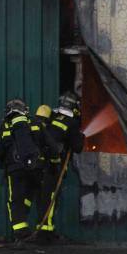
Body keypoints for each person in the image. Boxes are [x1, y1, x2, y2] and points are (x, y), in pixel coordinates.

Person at [0, 98, 43, 244]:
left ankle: (20, 233)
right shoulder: (35, 123)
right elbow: (48, 144)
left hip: (14, 170)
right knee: (33, 196)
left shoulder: (3, 127)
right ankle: (40, 232)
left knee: (16, 200)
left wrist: (5, 165)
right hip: (35, 169)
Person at [36, 92, 85, 241]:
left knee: (42, 196)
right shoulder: (72, 122)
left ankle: (46, 229)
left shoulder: (52, 116)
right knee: (50, 197)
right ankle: (45, 233)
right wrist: (81, 135)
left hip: (39, 162)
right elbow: (77, 147)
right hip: (53, 164)